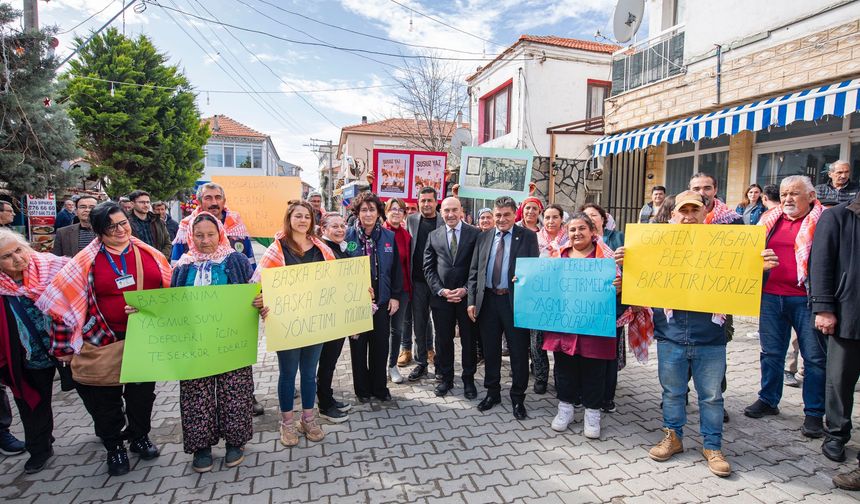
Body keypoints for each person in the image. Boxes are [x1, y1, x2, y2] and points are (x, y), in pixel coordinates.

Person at [619, 190, 778, 478]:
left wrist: (762, 269)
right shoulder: (654, 246)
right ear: (672, 215)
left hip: (710, 337)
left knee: (711, 396)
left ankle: (713, 446)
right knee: (672, 392)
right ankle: (673, 437)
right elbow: (636, 283)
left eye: (695, 210)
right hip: (671, 335)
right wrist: (625, 264)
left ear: (705, 214)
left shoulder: (725, 246)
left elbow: (746, 284)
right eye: (683, 211)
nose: (688, 216)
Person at [38, 201, 172, 476]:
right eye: (111, 226)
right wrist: (64, 346)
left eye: (123, 223)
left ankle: (139, 437)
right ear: (99, 230)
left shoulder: (149, 254)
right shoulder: (85, 261)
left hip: (143, 338)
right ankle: (114, 447)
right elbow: (65, 303)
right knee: (106, 401)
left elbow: (168, 291)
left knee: (141, 396)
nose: (120, 229)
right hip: (102, 340)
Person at [161, 212, 255, 472]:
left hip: (231, 340)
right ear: (191, 236)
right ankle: (201, 447)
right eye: (199, 235)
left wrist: (259, 301)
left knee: (234, 391)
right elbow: (170, 303)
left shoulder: (235, 260)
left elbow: (253, 291)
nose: (205, 240)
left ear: (220, 234)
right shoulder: (182, 266)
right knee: (195, 394)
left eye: (210, 234)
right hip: (194, 343)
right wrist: (143, 312)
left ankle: (235, 442)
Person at [744, 176, 826, 440]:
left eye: (794, 194)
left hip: (806, 299)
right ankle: (768, 400)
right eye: (784, 194)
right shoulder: (769, 220)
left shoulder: (824, 222)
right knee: (771, 353)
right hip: (770, 296)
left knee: (813, 359)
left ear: (811, 196)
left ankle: (814, 413)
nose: (788, 199)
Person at [253, 201, 337, 447]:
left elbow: (337, 281)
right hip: (286, 323)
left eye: (307, 217)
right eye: (297, 216)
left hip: (315, 321)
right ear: (289, 219)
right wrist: (260, 299)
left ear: (312, 221)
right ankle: (287, 423)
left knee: (310, 374)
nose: (302, 220)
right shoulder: (277, 249)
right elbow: (256, 283)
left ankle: (308, 419)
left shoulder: (322, 249)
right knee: (288, 374)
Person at [544, 214, 624, 438]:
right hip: (564, 325)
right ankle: (565, 410)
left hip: (594, 326)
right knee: (564, 368)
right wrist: (525, 281)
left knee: (594, 371)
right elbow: (544, 282)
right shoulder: (558, 255)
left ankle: (592, 415)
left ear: (592, 232)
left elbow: (622, 285)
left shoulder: (606, 257)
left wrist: (619, 286)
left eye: (582, 229)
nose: (577, 233)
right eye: (572, 230)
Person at [0, 229, 69, 473]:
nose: (17, 258)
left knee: (94, 396)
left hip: (66, 348)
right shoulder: (2, 287)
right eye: (7, 256)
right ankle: (40, 449)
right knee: (33, 405)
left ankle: (109, 436)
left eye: (19, 250)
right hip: (28, 356)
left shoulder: (53, 267)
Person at [467, 196, 539, 420]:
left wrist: (525, 277)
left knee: (518, 351)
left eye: (506, 214)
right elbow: (474, 271)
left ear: (514, 214)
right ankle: (493, 392)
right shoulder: (484, 236)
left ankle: (518, 397)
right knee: (490, 350)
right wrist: (471, 300)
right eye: (498, 215)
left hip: (514, 301)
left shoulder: (527, 236)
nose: (501, 219)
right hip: (488, 301)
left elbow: (534, 268)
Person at [810, 189, 860, 490]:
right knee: (840, 380)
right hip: (849, 315)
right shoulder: (838, 217)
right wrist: (824, 308)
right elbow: (821, 264)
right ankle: (837, 434)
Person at [345, 193, 403, 403]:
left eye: (372, 210)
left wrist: (395, 296)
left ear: (379, 213)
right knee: (358, 347)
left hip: (382, 301)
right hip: (356, 304)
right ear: (357, 213)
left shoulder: (388, 237)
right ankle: (362, 390)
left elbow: (396, 269)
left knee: (380, 346)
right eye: (364, 210)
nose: (368, 214)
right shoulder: (347, 237)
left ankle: (380, 388)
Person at [423, 197, 480, 399]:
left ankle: (468, 380)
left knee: (468, 341)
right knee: (443, 340)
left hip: (467, 299)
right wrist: (441, 290)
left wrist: (466, 289)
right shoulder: (433, 235)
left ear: (461, 211)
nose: (450, 214)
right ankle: (446, 379)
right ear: (441, 212)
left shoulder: (475, 234)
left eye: (454, 210)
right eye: (446, 210)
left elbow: (478, 267)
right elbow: (428, 268)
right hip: (442, 299)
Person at [315, 213, 353, 423]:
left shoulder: (341, 248)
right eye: (334, 227)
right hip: (326, 316)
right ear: (323, 229)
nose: (340, 230)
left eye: (342, 226)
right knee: (326, 361)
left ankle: (328, 397)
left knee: (331, 361)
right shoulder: (322, 250)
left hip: (339, 315)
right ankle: (325, 405)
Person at [405, 187, 444, 382]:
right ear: (418, 202)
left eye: (430, 200)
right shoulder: (411, 220)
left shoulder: (444, 220)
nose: (426, 204)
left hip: (439, 283)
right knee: (419, 324)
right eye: (423, 201)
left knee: (440, 325)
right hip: (418, 281)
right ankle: (421, 363)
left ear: (436, 202)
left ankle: (440, 364)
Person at [171, 183, 256, 268]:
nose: (214, 202)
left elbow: (250, 263)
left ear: (224, 201)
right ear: (199, 202)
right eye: (208, 198)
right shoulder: (186, 227)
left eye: (218, 198)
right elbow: (176, 265)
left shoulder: (237, 226)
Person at [383, 199, 411, 382]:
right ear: (386, 212)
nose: (397, 212)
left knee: (397, 330)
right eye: (393, 209)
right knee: (380, 332)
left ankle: (392, 365)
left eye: (400, 210)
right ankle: (378, 366)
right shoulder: (380, 233)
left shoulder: (406, 234)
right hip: (383, 290)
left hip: (403, 290)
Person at [127, 190, 172, 258]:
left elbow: (167, 242)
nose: (146, 205)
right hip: (137, 263)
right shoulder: (126, 223)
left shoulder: (158, 221)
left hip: (158, 262)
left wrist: (162, 258)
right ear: (132, 204)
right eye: (142, 202)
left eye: (148, 202)